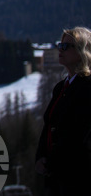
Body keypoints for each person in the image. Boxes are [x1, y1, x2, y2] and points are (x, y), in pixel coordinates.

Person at [36, 27, 91, 196]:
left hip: (78, 177)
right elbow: (49, 125)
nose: (60, 50)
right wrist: (40, 156)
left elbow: (79, 133)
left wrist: (54, 161)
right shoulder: (61, 87)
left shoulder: (87, 87)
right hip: (55, 177)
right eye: (60, 45)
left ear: (82, 51)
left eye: (66, 46)